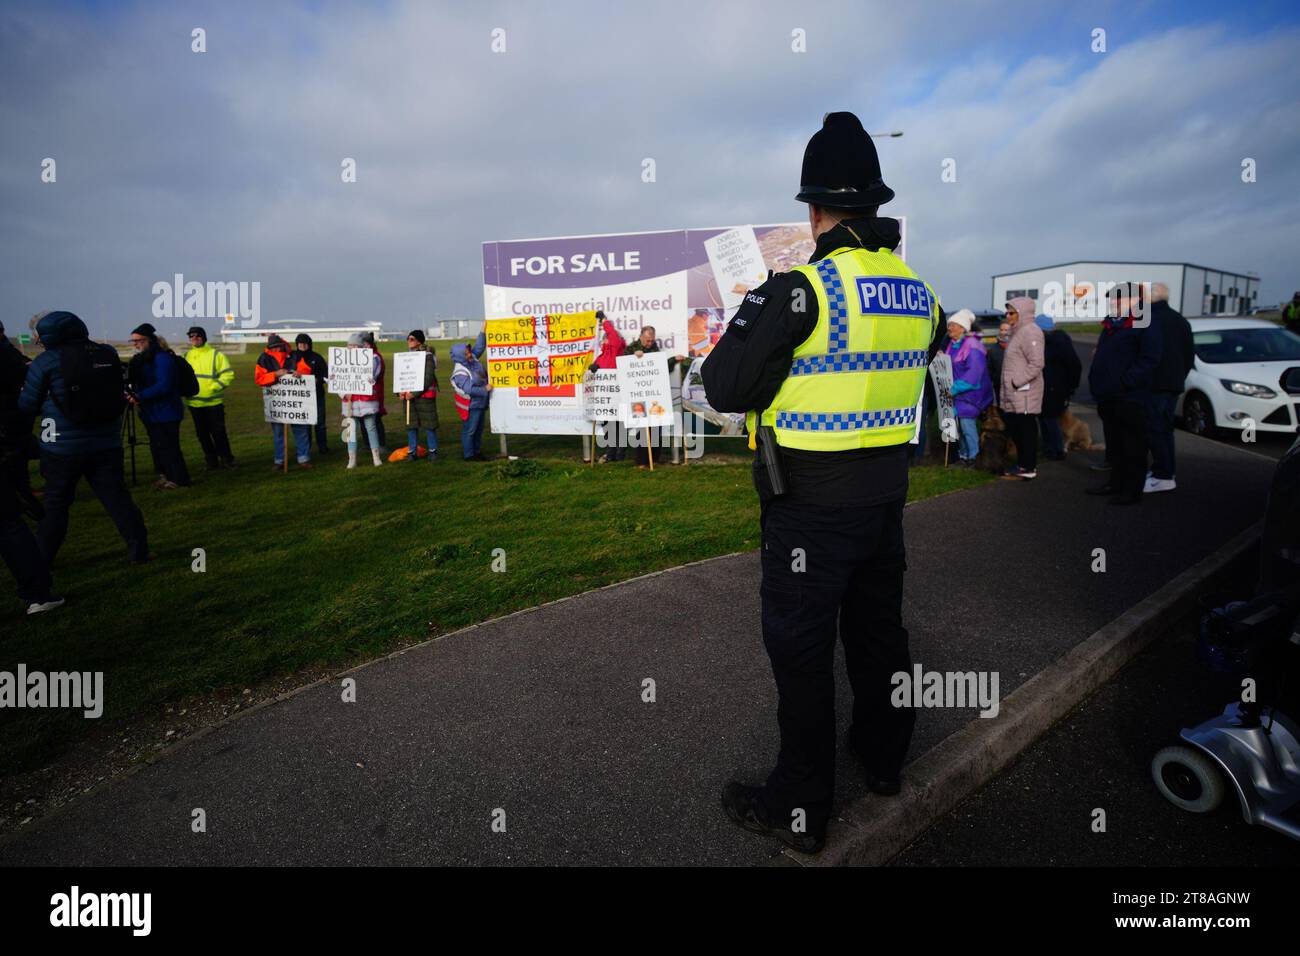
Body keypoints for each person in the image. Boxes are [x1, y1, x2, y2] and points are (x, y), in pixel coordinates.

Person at [702, 112, 942, 854]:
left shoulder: (803, 290)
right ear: (873, 202)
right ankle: (882, 759)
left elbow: (723, 386)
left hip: (809, 504)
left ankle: (800, 807)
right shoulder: (919, 293)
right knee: (878, 635)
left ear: (813, 208)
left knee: (801, 650)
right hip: (885, 498)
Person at [17, 311, 149, 564]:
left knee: (56, 504)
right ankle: (139, 550)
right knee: (118, 500)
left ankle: (42, 560)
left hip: (61, 448)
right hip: (107, 442)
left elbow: (27, 405)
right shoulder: (106, 353)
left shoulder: (46, 362)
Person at [0, 320, 61, 614]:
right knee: (9, 525)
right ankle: (38, 593)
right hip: (8, 439)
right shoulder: (8, 357)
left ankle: (37, 591)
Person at [1087, 283, 1164, 505]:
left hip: (1130, 396)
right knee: (1116, 445)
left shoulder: (1144, 322)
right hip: (1108, 395)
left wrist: (1126, 382)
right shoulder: (1112, 324)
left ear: (1135, 300)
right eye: (1112, 299)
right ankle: (1115, 483)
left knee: (1133, 446)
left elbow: (1150, 358)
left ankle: (1131, 490)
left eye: (1118, 299)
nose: (1113, 302)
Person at [127, 323, 192, 489]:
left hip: (166, 411)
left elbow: (165, 385)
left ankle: (178, 479)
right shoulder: (144, 359)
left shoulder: (162, 358)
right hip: (152, 411)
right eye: (132, 341)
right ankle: (166, 476)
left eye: (138, 340)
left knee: (170, 447)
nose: (135, 344)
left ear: (149, 340)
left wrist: (140, 396)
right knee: (159, 447)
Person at [1145, 282, 1194, 493]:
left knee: (1155, 429)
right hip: (1173, 383)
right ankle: (1166, 471)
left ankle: (1162, 475)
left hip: (1154, 382)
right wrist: (1178, 377)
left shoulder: (1148, 319)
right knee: (1165, 429)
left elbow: (1143, 352)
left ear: (1152, 297)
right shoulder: (1181, 320)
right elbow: (1189, 354)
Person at [624, 325, 687, 467]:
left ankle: (654, 458)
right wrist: (634, 358)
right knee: (642, 428)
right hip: (638, 396)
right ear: (641, 337)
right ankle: (641, 461)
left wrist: (674, 359)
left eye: (651, 340)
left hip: (653, 395)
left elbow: (660, 367)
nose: (649, 343)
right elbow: (622, 365)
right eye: (647, 340)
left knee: (656, 427)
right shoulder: (631, 348)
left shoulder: (654, 348)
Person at [999, 297, 1044, 479]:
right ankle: (1023, 464)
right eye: (1007, 312)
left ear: (1022, 313)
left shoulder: (1030, 332)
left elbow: (1037, 363)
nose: (1008, 316)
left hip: (1025, 392)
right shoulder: (1016, 331)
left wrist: (1017, 381)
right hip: (1016, 391)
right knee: (1018, 429)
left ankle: (1028, 467)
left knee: (1026, 431)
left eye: (1012, 312)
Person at [255, 333, 314, 471]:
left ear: (282, 345)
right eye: (274, 348)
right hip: (276, 402)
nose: (277, 350)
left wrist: (301, 373)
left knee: (301, 428)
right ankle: (279, 460)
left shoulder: (294, 355)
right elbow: (259, 379)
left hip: (296, 401)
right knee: (278, 432)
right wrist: (275, 374)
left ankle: (303, 458)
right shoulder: (263, 358)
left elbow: (306, 370)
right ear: (269, 348)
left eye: (278, 347)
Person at [183, 326, 236, 470]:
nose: (194, 338)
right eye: (191, 336)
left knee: (219, 433)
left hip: (214, 403)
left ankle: (227, 459)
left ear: (203, 337)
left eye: (197, 335)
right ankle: (211, 461)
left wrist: (214, 386)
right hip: (194, 404)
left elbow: (228, 374)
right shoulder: (186, 356)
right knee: (202, 435)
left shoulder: (216, 355)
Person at [946, 310, 993, 464]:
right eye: (949, 325)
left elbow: (973, 374)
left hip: (971, 395)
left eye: (952, 325)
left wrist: (954, 389)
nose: (949, 328)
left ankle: (974, 456)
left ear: (962, 328)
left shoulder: (973, 346)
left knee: (967, 427)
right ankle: (964, 455)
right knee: (960, 428)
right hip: (959, 395)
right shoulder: (953, 345)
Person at [1035, 313, 1082, 461]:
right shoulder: (1049, 342)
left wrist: (1070, 387)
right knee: (1044, 418)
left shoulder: (1057, 343)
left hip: (1055, 388)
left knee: (1050, 419)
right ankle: (1050, 449)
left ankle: (1056, 450)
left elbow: (1075, 366)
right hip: (1047, 387)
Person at [340, 332, 385, 469]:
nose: (352, 347)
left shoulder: (372, 358)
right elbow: (337, 380)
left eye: (355, 345)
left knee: (371, 427)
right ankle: (352, 459)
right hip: (350, 401)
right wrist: (342, 393)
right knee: (350, 429)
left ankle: (376, 456)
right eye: (350, 345)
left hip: (367, 400)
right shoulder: (342, 360)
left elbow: (373, 376)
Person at [590, 312, 627, 462]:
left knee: (619, 423)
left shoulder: (616, 352)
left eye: (606, 339)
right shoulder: (600, 357)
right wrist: (593, 368)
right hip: (605, 399)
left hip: (617, 397)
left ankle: (620, 451)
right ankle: (611, 450)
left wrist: (604, 321)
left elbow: (614, 337)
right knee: (607, 424)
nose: (604, 341)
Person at [400, 330, 440, 463]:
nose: (408, 341)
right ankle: (412, 452)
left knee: (429, 425)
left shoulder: (428, 357)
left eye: (411, 339)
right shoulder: (405, 357)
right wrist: (399, 392)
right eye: (408, 339)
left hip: (424, 397)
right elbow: (401, 377)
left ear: (419, 341)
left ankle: (433, 451)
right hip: (409, 397)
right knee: (411, 425)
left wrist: (414, 393)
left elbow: (428, 378)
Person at [450, 330, 490, 461]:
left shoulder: (471, 359)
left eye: (468, 351)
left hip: (479, 403)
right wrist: (485, 389)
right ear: (460, 356)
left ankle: (476, 452)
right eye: (466, 353)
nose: (470, 354)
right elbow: (469, 389)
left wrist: (482, 332)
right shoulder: (460, 372)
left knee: (478, 430)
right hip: (470, 405)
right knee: (470, 430)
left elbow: (479, 347)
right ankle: (469, 455)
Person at [294, 333, 330, 454]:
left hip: (317, 394)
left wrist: (318, 380)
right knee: (305, 424)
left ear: (309, 344)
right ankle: (306, 448)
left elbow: (325, 375)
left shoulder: (317, 358)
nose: (302, 345)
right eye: (300, 343)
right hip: (300, 397)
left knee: (320, 423)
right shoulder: (293, 358)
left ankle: (323, 447)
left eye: (305, 343)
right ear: (297, 344)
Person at [986, 322, 1010, 405]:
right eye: (1001, 330)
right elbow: (989, 369)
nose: (1003, 332)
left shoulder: (1017, 346)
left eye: (1006, 330)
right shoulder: (993, 350)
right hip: (999, 387)